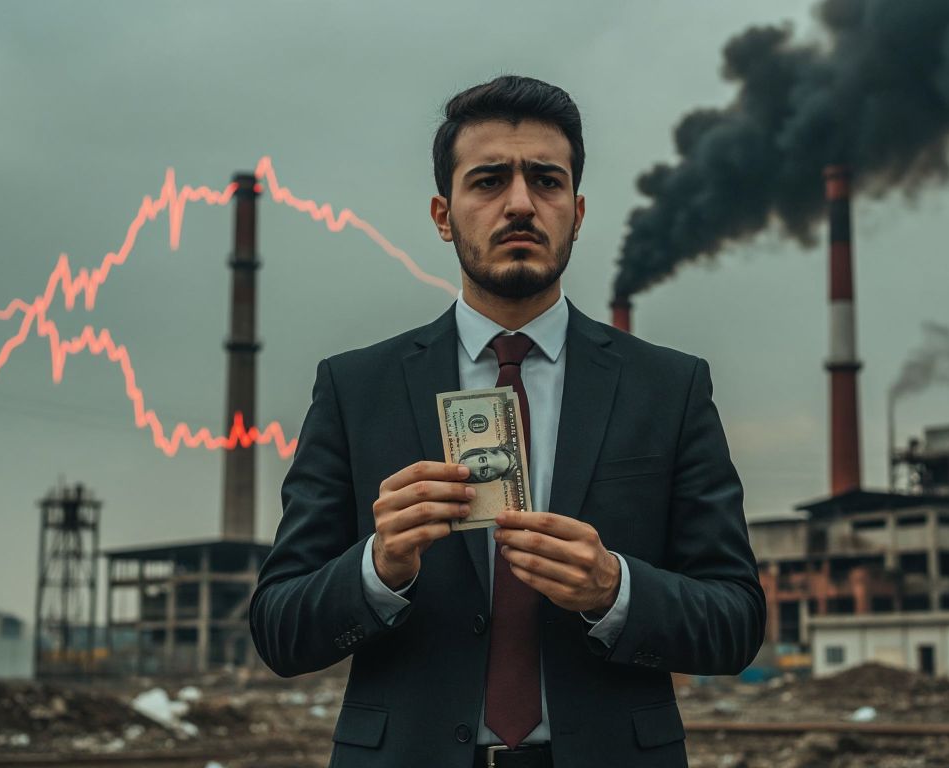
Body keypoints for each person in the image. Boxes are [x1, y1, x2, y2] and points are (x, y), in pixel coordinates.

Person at [250, 75, 765, 768]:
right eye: (489, 180)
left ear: (577, 211)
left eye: (546, 182)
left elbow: (737, 622)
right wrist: (379, 565)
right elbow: (279, 630)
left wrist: (616, 589)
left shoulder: (669, 388)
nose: (520, 203)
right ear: (442, 213)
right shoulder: (356, 388)